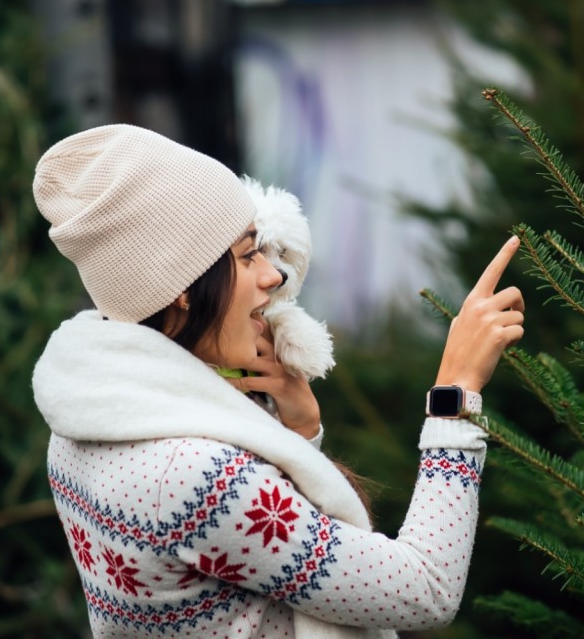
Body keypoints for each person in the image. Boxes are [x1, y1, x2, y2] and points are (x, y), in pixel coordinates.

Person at [31, 124, 525, 638]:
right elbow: (425, 588)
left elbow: (252, 577)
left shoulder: (86, 416)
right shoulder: (197, 478)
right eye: (247, 256)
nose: (273, 276)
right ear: (181, 288)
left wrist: (299, 431)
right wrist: (455, 394)